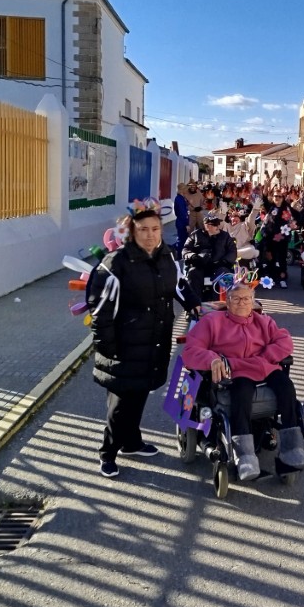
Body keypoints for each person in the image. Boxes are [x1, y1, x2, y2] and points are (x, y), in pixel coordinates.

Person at [87, 199, 197, 478]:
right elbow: (100, 311)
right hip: (124, 345)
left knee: (139, 394)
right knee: (121, 403)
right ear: (132, 231)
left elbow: (178, 284)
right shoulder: (117, 263)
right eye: (144, 229)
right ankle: (107, 453)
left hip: (154, 341)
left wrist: (194, 304)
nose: (150, 234)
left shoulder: (166, 257)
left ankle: (132, 443)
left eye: (155, 229)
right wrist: (108, 348)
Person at [182, 284, 304, 480]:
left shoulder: (264, 321)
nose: (242, 302)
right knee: (241, 393)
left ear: (253, 301)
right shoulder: (212, 322)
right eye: (236, 299)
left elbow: (284, 341)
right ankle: (245, 456)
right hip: (235, 371)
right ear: (228, 302)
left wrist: (267, 356)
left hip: (264, 367)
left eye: (246, 298)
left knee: (286, 387)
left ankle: (292, 450)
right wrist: (212, 359)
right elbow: (191, 349)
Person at [182, 212, 237, 303]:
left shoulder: (225, 236)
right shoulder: (196, 235)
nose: (217, 226)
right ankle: (195, 306)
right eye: (214, 224)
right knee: (192, 273)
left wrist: (224, 261)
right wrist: (193, 256)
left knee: (225, 275)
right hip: (200, 265)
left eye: (217, 224)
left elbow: (233, 251)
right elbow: (185, 250)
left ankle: (221, 304)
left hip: (219, 265)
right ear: (206, 225)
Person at [259, 187, 302, 288]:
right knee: (270, 258)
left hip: (282, 238)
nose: (277, 198)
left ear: (283, 198)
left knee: (281, 258)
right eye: (275, 196)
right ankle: (272, 279)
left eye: (279, 196)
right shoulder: (270, 206)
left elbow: (299, 216)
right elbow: (264, 199)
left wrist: (295, 224)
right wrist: (264, 192)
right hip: (270, 237)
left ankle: (282, 278)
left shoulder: (286, 208)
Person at [174, 182, 191, 257]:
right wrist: (186, 224)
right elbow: (182, 213)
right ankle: (179, 255)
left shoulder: (181, 198)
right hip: (182, 222)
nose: (186, 190)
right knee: (181, 240)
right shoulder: (179, 199)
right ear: (182, 190)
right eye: (185, 189)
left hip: (182, 221)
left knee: (183, 239)